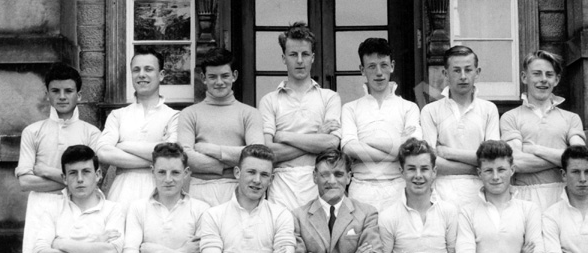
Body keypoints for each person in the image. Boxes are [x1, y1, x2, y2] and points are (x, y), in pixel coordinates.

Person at [16, 63, 101, 253]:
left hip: (76, 211)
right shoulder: (32, 132)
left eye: (68, 91)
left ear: (79, 95)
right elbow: (25, 182)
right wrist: (69, 180)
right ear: (47, 94)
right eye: (56, 91)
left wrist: (46, 171)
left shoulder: (91, 133)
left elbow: (94, 181)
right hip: (40, 210)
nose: (62, 97)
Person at [259, 22, 342, 211]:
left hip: (319, 181)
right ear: (283, 58)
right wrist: (315, 138)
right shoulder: (269, 100)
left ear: (312, 58)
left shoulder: (329, 97)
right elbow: (269, 153)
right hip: (281, 183)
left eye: (305, 54)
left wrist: (284, 136)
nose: (299, 60)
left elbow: (331, 145)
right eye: (293, 54)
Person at [341, 37, 422, 212]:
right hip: (361, 188)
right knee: (364, 239)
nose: (379, 72)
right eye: (372, 66)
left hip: (398, 186)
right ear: (362, 70)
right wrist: (398, 141)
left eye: (384, 65)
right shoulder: (350, 108)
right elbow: (348, 148)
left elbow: (412, 150)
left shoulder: (408, 107)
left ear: (392, 66)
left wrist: (367, 141)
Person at [95, 47, 179, 212]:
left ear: (161, 75)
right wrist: (156, 158)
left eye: (148, 69)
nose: (141, 74)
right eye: (136, 70)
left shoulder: (174, 116)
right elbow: (102, 152)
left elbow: (172, 154)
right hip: (122, 192)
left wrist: (123, 145)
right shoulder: (118, 115)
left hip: (161, 190)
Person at [500, 50, 586, 212]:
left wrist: (535, 149)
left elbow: (579, 159)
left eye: (549, 74)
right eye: (537, 74)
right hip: (523, 197)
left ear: (557, 79)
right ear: (525, 77)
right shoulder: (510, 117)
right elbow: (516, 162)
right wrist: (563, 159)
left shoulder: (571, 118)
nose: (543, 80)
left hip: (562, 196)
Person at [178, 47, 264, 206]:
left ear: (234, 76)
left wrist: (211, 150)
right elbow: (186, 158)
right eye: (212, 77)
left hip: (237, 190)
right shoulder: (189, 114)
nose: (219, 82)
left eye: (225, 76)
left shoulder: (250, 113)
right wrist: (234, 162)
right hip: (199, 190)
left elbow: (255, 155)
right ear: (203, 78)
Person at [420, 45, 500, 208]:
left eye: (468, 70)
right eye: (456, 70)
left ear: (477, 73)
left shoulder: (488, 109)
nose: (463, 76)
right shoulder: (430, 110)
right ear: (445, 74)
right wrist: (476, 165)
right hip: (442, 196)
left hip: (480, 195)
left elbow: (492, 159)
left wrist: (448, 152)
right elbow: (429, 161)